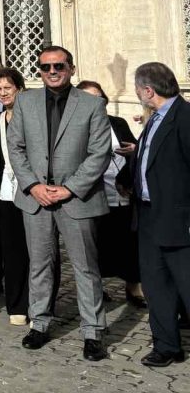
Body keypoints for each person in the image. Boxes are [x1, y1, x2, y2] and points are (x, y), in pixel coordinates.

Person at [7, 46, 111, 362]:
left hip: (77, 199)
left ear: (71, 68)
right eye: (45, 66)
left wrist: (69, 188)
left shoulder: (92, 104)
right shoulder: (25, 101)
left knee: (85, 267)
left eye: (59, 65)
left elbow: (99, 153)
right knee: (39, 264)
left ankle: (93, 331)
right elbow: (16, 146)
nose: (52, 71)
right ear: (38, 70)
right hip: (35, 199)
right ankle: (39, 323)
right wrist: (33, 185)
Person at [129, 62, 190, 367]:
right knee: (156, 284)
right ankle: (167, 346)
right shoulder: (153, 120)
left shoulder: (185, 117)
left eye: (137, 88)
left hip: (179, 218)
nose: (137, 93)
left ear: (148, 90)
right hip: (148, 215)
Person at [76, 80, 144, 307]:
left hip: (123, 192)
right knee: (98, 243)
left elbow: (134, 148)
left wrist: (133, 151)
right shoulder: (76, 129)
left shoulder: (117, 122)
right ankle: (97, 287)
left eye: (99, 97)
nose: (95, 102)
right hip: (95, 193)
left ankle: (133, 286)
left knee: (129, 240)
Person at [0, 67, 32, 326]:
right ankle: (17, 304)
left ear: (19, 88)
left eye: (8, 88)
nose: (3, 93)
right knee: (13, 251)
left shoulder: (33, 118)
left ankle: (40, 302)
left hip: (33, 190)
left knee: (38, 250)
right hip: (6, 191)